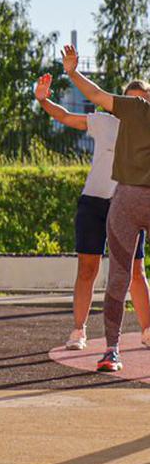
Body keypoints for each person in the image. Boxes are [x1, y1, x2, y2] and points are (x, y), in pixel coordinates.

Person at [35, 71, 150, 352]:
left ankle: (147, 331)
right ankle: (78, 330)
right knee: (88, 268)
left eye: (142, 102)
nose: (135, 108)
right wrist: (42, 101)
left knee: (135, 270)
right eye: (130, 102)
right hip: (95, 204)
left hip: (127, 206)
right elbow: (65, 116)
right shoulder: (103, 122)